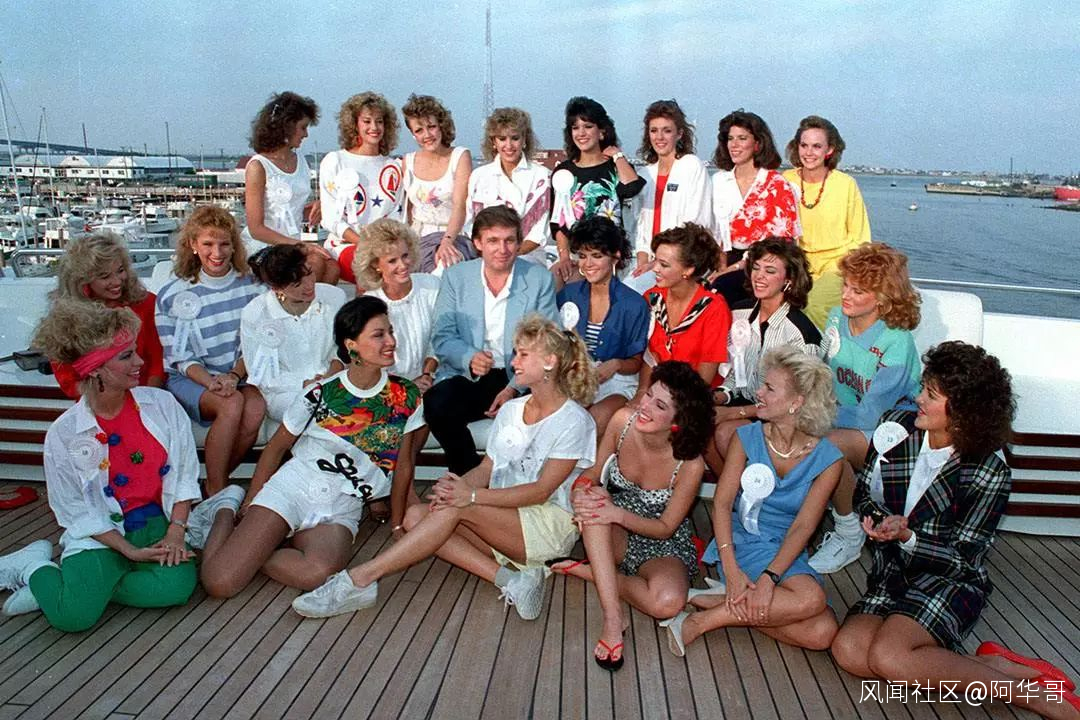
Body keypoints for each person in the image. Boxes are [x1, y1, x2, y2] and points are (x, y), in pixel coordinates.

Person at [291, 315, 598, 623]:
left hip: (546, 526)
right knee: (416, 516)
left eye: (523, 354)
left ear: (549, 362)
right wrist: (458, 488)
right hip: (503, 519)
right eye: (515, 352)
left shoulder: (574, 421)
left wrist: (470, 497)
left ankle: (360, 579)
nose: (514, 362)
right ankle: (513, 581)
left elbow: (540, 491)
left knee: (454, 508)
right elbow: (487, 469)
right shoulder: (512, 410)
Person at [831, 344, 1080, 718]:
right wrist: (878, 519)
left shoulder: (989, 471)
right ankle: (993, 666)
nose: (918, 398)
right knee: (849, 651)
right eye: (923, 388)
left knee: (888, 657)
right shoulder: (895, 427)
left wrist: (909, 537)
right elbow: (865, 491)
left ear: (963, 411)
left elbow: (964, 558)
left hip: (949, 581)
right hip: (892, 576)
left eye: (931, 395)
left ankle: (1032, 695)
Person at [196, 296, 426, 598]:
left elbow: (403, 465)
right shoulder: (321, 393)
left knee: (316, 573)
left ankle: (260, 545)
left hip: (343, 504)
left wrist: (396, 525)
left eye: (391, 332)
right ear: (352, 345)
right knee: (220, 582)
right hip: (295, 489)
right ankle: (224, 507)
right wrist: (251, 499)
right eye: (379, 335)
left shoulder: (405, 395)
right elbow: (276, 448)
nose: (391, 341)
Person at [0, 301, 199, 628]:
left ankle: (81, 587)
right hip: (101, 533)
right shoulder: (64, 433)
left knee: (175, 588)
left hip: (157, 523)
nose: (140, 362)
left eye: (135, 352)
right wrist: (128, 551)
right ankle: (33, 567)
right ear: (94, 369)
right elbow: (73, 509)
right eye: (126, 356)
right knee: (73, 618)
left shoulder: (163, 405)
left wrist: (176, 532)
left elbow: (184, 475)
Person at [664, 347, 844, 656]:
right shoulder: (747, 438)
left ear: (796, 403)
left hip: (786, 549)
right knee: (811, 600)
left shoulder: (828, 460)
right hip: (743, 541)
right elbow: (722, 505)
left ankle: (718, 606)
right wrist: (732, 570)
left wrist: (769, 579)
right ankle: (698, 623)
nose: (758, 393)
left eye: (769, 388)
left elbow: (803, 528)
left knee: (822, 633)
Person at [550, 361, 712, 671]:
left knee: (668, 604)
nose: (644, 406)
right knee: (595, 500)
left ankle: (596, 574)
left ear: (679, 421)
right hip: (615, 531)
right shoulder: (622, 421)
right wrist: (580, 492)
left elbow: (665, 527)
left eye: (659, 405)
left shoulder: (690, 464)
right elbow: (592, 474)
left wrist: (617, 514)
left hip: (661, 541)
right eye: (648, 394)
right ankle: (613, 619)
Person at [809, 243, 922, 574]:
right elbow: (822, 375)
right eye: (846, 285)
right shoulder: (836, 318)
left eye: (858, 291)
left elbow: (872, 413)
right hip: (844, 420)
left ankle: (848, 533)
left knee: (827, 445)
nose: (846, 295)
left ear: (883, 298)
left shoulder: (897, 341)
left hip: (893, 433)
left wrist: (812, 418)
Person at [424, 205, 559, 476]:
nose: (502, 249)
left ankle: (484, 484)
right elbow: (443, 335)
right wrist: (469, 357)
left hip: (521, 376)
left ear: (519, 243)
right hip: (470, 373)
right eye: (493, 241)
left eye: (509, 240)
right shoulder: (456, 277)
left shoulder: (538, 279)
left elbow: (547, 342)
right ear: (478, 243)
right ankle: (469, 477)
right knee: (437, 404)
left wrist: (513, 388)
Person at [156, 206, 266, 496]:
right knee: (231, 404)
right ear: (193, 245)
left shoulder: (254, 287)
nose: (217, 253)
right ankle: (218, 491)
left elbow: (259, 343)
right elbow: (178, 357)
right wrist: (210, 382)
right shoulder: (172, 295)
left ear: (234, 246)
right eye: (208, 244)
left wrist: (233, 376)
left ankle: (212, 485)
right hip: (190, 377)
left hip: (239, 373)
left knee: (255, 408)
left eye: (224, 244)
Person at [706, 238, 822, 475]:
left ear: (789, 280)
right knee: (697, 422)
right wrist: (719, 397)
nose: (759, 276)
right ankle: (735, 487)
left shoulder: (801, 333)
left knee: (727, 432)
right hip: (744, 404)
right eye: (756, 268)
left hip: (784, 416)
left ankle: (755, 488)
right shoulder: (739, 313)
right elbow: (737, 375)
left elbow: (797, 400)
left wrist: (735, 412)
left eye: (770, 271)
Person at [354, 218, 441, 524]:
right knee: (400, 407)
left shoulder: (431, 288)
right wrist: (404, 385)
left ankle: (391, 488)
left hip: (427, 379)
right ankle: (401, 494)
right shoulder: (369, 303)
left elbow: (439, 340)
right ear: (376, 266)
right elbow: (366, 359)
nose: (402, 265)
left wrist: (427, 374)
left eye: (405, 256)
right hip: (383, 383)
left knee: (425, 406)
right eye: (392, 260)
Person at [556, 215, 649, 437]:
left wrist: (615, 364)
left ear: (615, 256)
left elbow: (636, 362)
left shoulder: (634, 304)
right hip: (574, 379)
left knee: (592, 421)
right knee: (563, 417)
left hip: (617, 382)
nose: (587, 264)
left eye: (597, 256)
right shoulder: (568, 295)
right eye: (582, 256)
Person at [49, 231, 165, 398]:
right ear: (82, 280)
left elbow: (158, 364)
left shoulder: (147, 303)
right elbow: (68, 379)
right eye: (104, 276)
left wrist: (145, 400)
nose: (117, 281)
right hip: (97, 402)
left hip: (147, 397)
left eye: (120, 270)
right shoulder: (66, 316)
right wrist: (111, 402)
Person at [783, 116, 871, 329]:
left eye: (816, 146)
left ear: (829, 150)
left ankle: (821, 351)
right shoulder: (785, 180)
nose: (809, 152)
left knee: (814, 304)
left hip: (837, 265)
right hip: (797, 263)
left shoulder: (845, 184)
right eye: (804, 145)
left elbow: (860, 238)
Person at [242, 243, 346, 421]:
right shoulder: (255, 313)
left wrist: (332, 372)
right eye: (297, 284)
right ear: (276, 288)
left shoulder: (335, 297)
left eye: (309, 273)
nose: (309, 285)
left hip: (334, 380)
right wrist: (305, 383)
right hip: (285, 392)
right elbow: (262, 373)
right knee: (316, 411)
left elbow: (343, 346)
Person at [240, 91, 336, 284]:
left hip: (291, 243)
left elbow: (290, 209)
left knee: (332, 267)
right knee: (314, 265)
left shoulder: (300, 160)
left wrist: (321, 205)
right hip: (264, 245)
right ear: (286, 126)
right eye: (303, 127)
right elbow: (256, 228)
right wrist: (301, 246)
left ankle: (311, 304)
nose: (306, 134)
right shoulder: (258, 166)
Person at [550, 96, 645, 284]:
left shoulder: (615, 167)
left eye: (588, 126)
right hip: (578, 255)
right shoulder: (563, 172)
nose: (581, 133)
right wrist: (564, 257)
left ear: (601, 131)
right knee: (555, 282)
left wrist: (617, 155)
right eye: (575, 128)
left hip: (611, 255)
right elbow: (558, 222)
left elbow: (631, 187)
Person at [709, 110, 800, 306]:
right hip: (724, 259)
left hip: (763, 262)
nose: (734, 144)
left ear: (757, 144)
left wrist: (733, 269)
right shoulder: (718, 181)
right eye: (730, 138)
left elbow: (780, 243)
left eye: (742, 138)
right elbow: (716, 233)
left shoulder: (777, 184)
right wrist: (721, 267)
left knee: (722, 288)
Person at [319, 92, 403, 284]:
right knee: (375, 267)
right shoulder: (335, 161)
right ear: (354, 124)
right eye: (367, 121)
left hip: (384, 247)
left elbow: (396, 215)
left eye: (379, 121)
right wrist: (364, 243)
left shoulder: (393, 167)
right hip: (345, 245)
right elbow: (331, 218)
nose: (374, 127)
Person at [627, 100, 712, 292]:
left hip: (680, 260)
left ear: (679, 133)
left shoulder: (691, 166)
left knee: (632, 292)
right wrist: (643, 262)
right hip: (649, 263)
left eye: (667, 131)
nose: (659, 137)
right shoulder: (645, 174)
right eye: (654, 131)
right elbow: (641, 226)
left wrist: (659, 261)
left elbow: (696, 223)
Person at [639, 223, 731, 394]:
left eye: (664, 264)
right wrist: (641, 394)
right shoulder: (652, 297)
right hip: (656, 392)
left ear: (688, 270)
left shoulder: (714, 308)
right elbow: (648, 357)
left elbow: (703, 380)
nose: (655, 269)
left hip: (693, 397)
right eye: (655, 260)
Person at [467, 107, 552, 266]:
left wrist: (507, 256)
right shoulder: (479, 176)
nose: (509, 145)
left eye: (514, 138)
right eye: (502, 138)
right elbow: (470, 224)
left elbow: (538, 233)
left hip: (529, 257)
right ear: (493, 142)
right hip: (485, 258)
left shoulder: (542, 176)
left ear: (524, 139)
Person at [400, 94, 474, 273]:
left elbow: (460, 206)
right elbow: (407, 210)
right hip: (418, 237)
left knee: (444, 266)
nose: (427, 135)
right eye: (419, 130)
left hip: (453, 235)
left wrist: (447, 241)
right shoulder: (408, 161)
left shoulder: (460, 156)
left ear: (441, 126)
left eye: (431, 127)